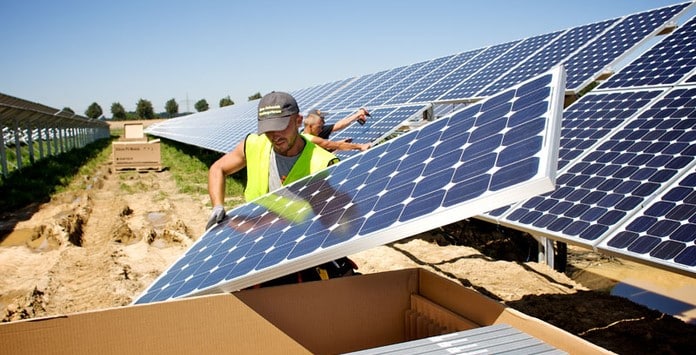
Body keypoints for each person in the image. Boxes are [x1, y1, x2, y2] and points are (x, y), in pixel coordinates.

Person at [206, 91, 357, 286]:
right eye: (268, 130)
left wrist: (259, 224)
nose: (274, 137)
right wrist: (217, 206)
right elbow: (218, 168)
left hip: (302, 251)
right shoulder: (254, 145)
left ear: (298, 121)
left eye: (280, 128)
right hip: (258, 246)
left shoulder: (324, 163)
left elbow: (326, 222)